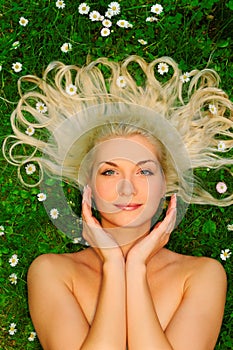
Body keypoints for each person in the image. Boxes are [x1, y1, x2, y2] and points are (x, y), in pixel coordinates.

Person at [3, 55, 233, 350]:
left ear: (166, 185)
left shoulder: (202, 275)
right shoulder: (52, 272)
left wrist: (136, 266)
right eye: (110, 171)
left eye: (144, 171)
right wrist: (113, 263)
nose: (127, 188)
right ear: (89, 187)